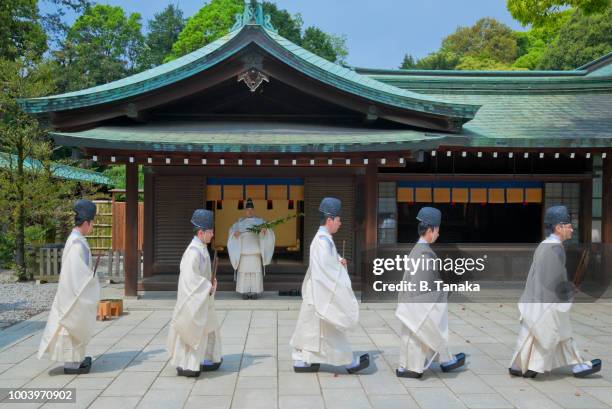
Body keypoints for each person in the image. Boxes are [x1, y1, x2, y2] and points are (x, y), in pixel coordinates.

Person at [509, 205, 602, 378]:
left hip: (538, 299)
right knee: (553, 334)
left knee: (546, 334)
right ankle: (536, 366)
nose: (572, 229)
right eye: (568, 226)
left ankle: (520, 365)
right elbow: (552, 280)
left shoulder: (546, 245)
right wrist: (567, 290)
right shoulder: (555, 248)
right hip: (548, 302)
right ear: (558, 227)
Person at [290, 197, 369, 374]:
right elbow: (327, 270)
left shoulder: (324, 239)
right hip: (320, 292)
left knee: (310, 330)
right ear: (330, 219)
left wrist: (339, 261)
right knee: (330, 330)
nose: (340, 224)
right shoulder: (323, 241)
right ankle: (348, 361)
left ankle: (302, 360)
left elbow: (328, 265)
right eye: (339, 220)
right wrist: (339, 268)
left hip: (316, 291)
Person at [395, 206, 465, 378]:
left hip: (410, 301)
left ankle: (441, 360)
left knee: (418, 334)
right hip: (418, 304)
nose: (438, 234)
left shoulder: (418, 250)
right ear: (430, 229)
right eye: (438, 230)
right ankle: (417, 367)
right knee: (427, 330)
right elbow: (424, 286)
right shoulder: (424, 254)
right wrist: (443, 288)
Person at [38, 199, 100, 374]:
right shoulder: (76, 244)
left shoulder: (76, 240)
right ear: (86, 222)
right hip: (73, 294)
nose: (92, 226)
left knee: (72, 328)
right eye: (92, 223)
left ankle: (76, 360)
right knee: (71, 326)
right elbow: (76, 275)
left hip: (72, 291)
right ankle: (72, 364)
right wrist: (91, 281)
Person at [167, 209, 222, 377]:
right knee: (193, 331)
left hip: (203, 298)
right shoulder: (193, 253)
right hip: (193, 301)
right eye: (210, 231)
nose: (212, 234)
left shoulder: (201, 248)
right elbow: (190, 281)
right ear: (201, 232)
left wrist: (210, 283)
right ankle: (187, 365)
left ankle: (210, 358)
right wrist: (207, 285)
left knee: (210, 326)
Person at [227, 198, 275, 299]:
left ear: (254, 210)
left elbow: (269, 230)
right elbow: (231, 231)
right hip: (244, 253)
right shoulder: (239, 223)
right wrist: (234, 233)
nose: (249, 211)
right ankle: (244, 291)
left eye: (251, 209)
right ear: (245, 210)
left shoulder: (260, 221)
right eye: (247, 209)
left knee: (255, 273)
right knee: (244, 273)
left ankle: (255, 292)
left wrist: (265, 231)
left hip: (255, 252)